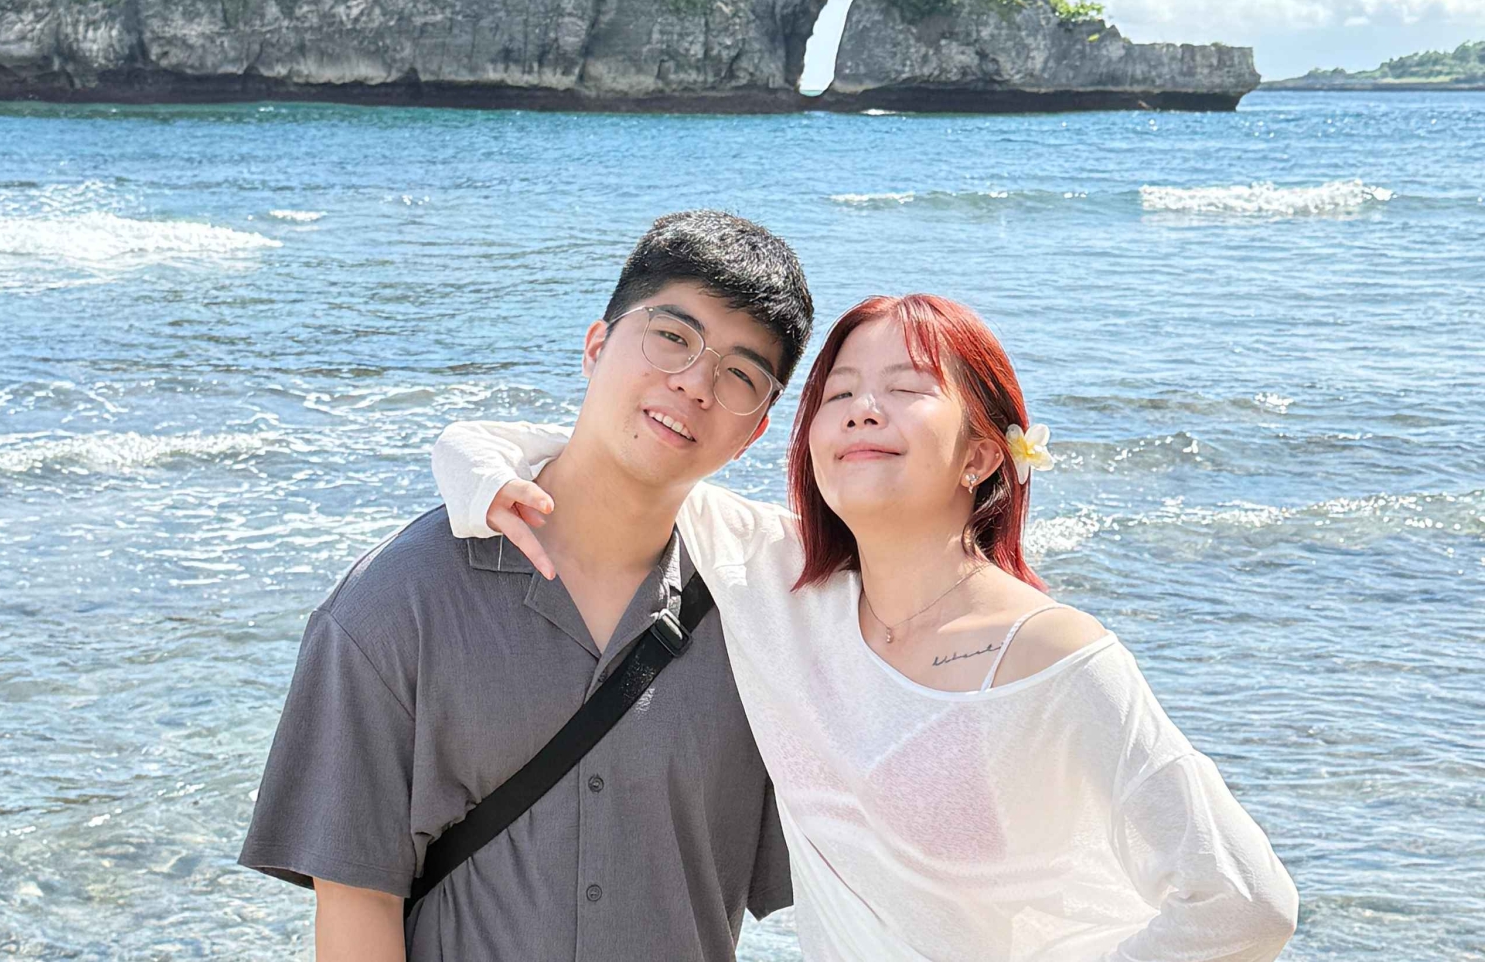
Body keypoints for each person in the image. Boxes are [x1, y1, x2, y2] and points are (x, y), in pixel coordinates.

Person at [433, 293, 1301, 961]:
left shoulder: (1052, 656)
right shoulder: (775, 580)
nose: (862, 408)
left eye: (907, 389)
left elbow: (1245, 901)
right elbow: (598, 456)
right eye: (839, 392)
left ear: (982, 453)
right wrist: (481, 479)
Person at [239, 210, 814, 961]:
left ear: (755, 430)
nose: (695, 383)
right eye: (673, 336)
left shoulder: (765, 624)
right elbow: (355, 904)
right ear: (596, 346)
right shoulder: (396, 601)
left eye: (740, 374)